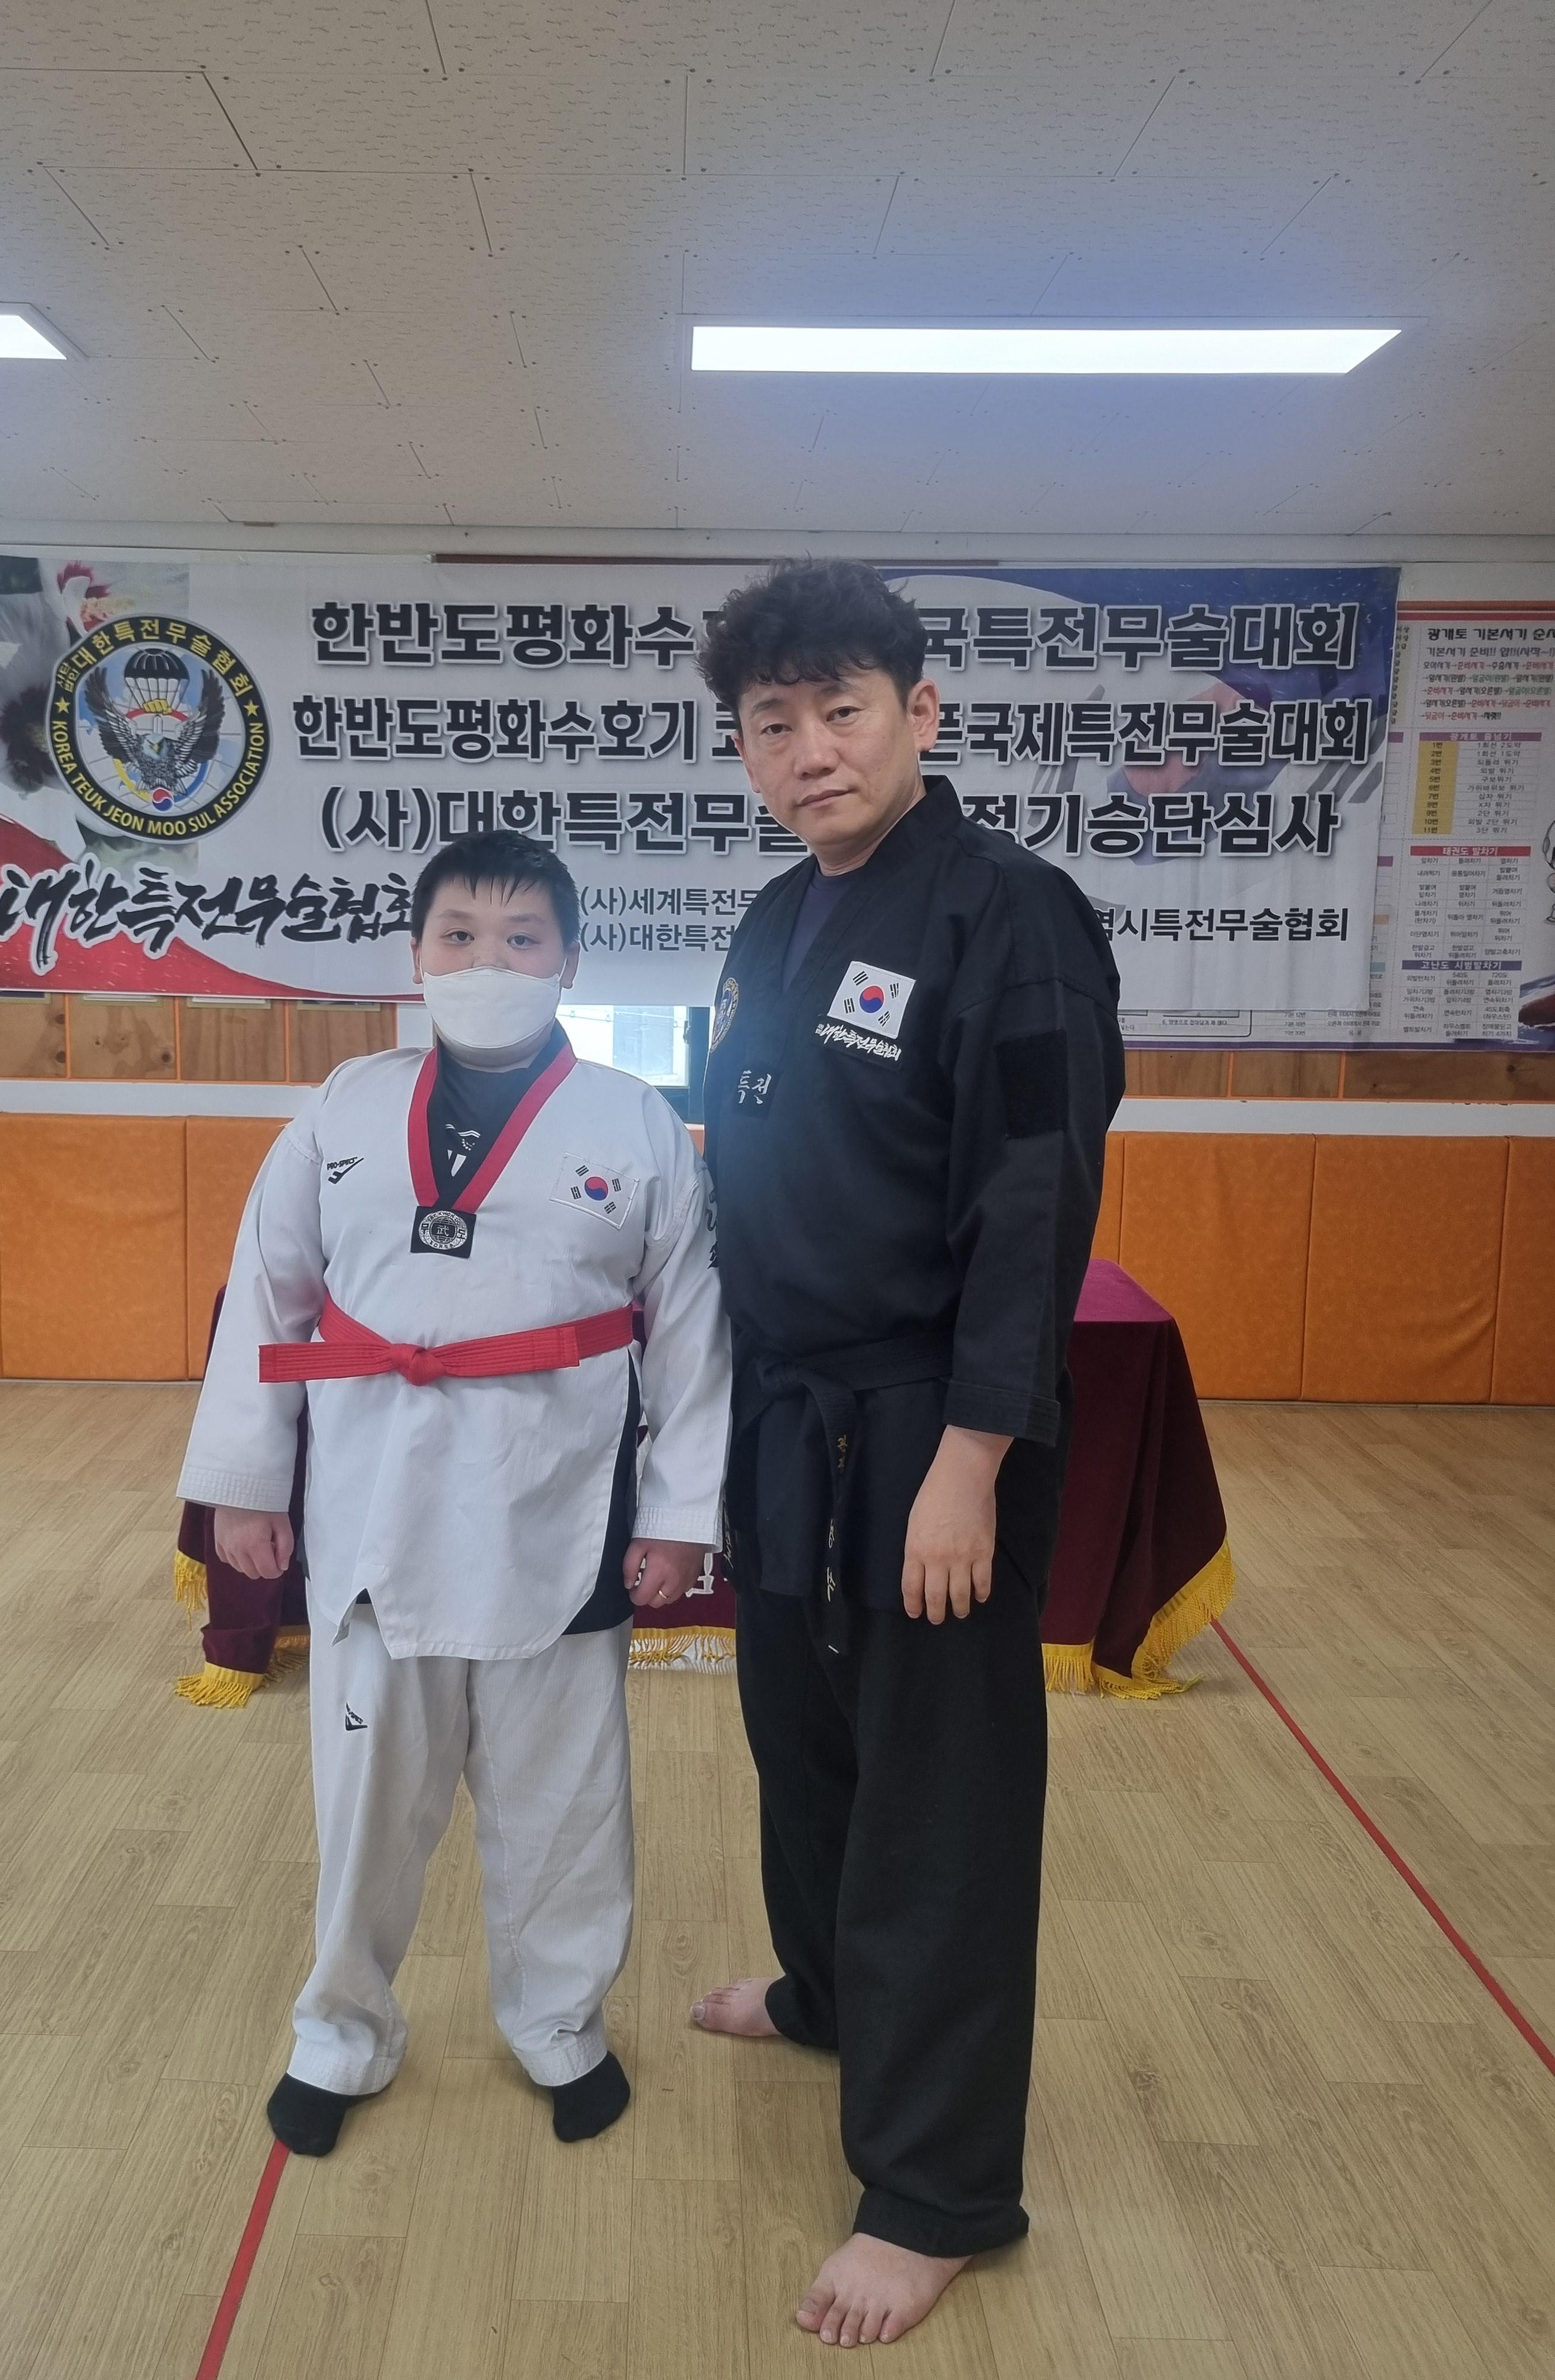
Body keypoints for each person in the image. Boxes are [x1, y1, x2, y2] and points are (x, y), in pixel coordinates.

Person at [690, 561, 1123, 2346]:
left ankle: (938, 2193)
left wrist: (971, 1460)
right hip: (789, 1413)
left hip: (933, 1421)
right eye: (772, 724)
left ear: (921, 712)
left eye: (841, 710)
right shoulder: (773, 919)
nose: (810, 751)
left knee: (940, 1796)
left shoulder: (1010, 914)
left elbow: (1035, 1204)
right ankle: (827, 1994)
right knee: (803, 1737)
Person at [178, 829, 730, 2155]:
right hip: (380, 1506)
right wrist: (247, 1484)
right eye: (461, 937)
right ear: (416, 957)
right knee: (368, 1804)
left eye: (523, 939)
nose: (491, 960)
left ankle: (561, 2026)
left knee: (565, 1806)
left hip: (561, 1508)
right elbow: (268, 1296)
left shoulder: (636, 1121)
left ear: (571, 960)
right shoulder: (344, 1108)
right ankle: (340, 2030)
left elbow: (691, 1334)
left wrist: (678, 1517)